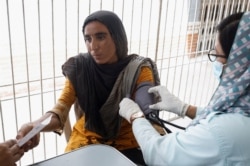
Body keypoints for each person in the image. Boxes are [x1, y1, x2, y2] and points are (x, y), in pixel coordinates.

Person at [16, 10, 162, 165]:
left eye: (100, 37)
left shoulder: (138, 69)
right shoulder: (80, 68)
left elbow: (146, 105)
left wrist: (147, 112)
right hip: (88, 138)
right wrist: (35, 126)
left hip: (130, 139)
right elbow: (60, 110)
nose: (93, 46)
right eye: (87, 39)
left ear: (117, 37)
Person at [119, 11, 250, 165]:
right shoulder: (240, 112)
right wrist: (185, 108)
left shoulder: (223, 133)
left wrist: (136, 117)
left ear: (239, 66)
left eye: (217, 55)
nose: (94, 46)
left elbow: (160, 154)